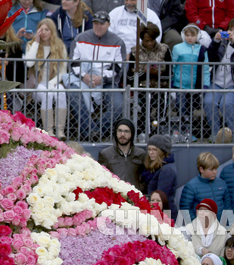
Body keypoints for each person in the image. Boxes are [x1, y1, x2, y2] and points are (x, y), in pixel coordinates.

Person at [65, 10, 127, 141]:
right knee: (73, 94)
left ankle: (95, 131)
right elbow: (74, 63)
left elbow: (118, 68)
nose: (98, 26)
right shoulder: (80, 38)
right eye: (95, 23)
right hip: (81, 79)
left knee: (118, 105)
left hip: (107, 83)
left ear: (109, 24)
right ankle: (92, 132)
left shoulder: (118, 42)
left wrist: (102, 79)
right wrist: (85, 76)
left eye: (102, 24)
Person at [24, 18, 68, 138]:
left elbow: (62, 70)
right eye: (41, 29)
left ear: (52, 31)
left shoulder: (60, 46)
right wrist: (36, 41)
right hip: (38, 84)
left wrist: (52, 83)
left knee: (61, 92)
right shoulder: (31, 45)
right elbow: (29, 63)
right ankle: (49, 130)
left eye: (46, 30)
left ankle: (60, 130)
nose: (43, 32)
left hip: (54, 82)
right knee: (47, 94)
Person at [97, 118, 147, 192]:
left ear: (132, 134)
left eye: (126, 131)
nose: (122, 134)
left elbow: (146, 177)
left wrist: (140, 188)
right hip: (114, 196)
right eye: (120, 131)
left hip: (135, 196)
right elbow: (100, 177)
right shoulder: (105, 154)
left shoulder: (140, 154)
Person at [180, 152, 233, 220]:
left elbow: (227, 207)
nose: (215, 172)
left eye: (216, 169)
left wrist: (228, 226)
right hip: (200, 227)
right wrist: (195, 226)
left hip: (220, 227)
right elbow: (185, 210)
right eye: (211, 169)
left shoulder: (222, 183)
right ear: (201, 169)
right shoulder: (191, 186)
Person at [142, 134, 178, 220]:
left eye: (154, 150)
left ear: (162, 151)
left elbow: (161, 197)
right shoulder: (154, 168)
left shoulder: (167, 170)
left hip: (165, 214)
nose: (151, 152)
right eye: (149, 149)